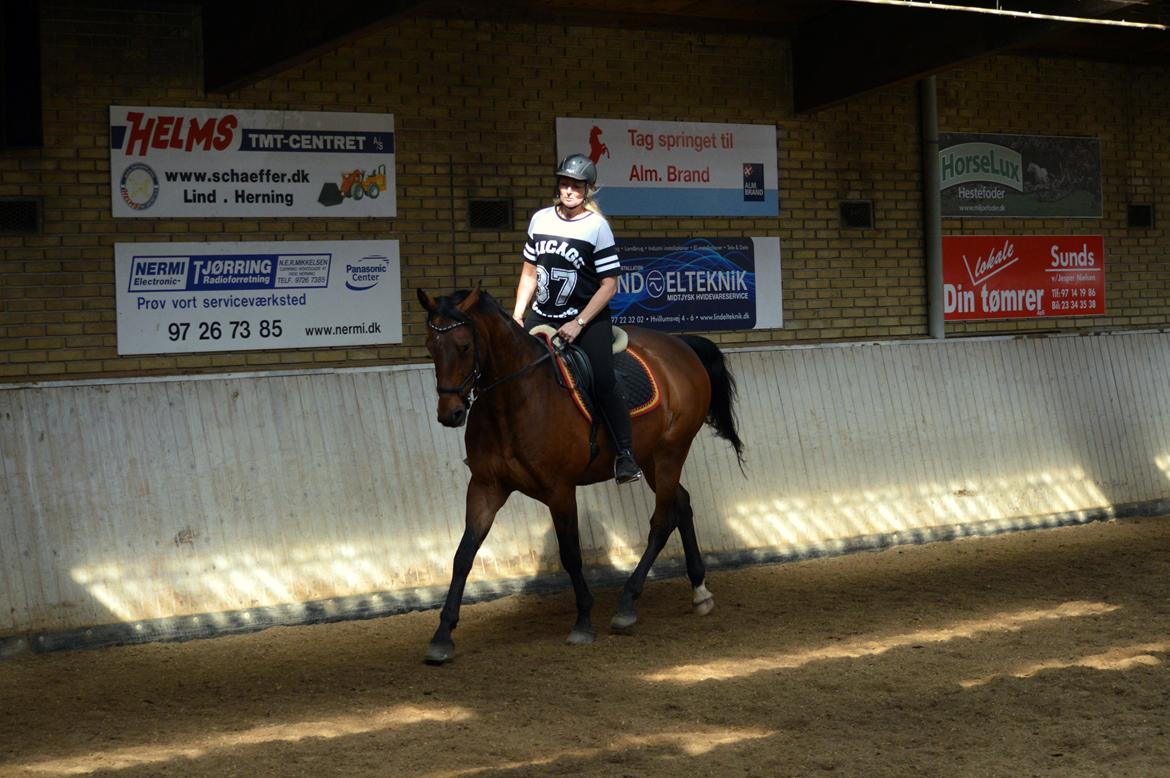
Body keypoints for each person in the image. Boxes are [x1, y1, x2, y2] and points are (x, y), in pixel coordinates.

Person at [512, 153, 642, 484]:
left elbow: (609, 285)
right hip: (543, 315)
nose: (569, 191)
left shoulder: (596, 226)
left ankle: (626, 455)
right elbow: (529, 274)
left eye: (576, 186)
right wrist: (517, 315)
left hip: (586, 319)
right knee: (512, 371)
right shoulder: (540, 219)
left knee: (602, 379)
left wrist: (579, 323)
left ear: (588, 190)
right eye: (565, 184)